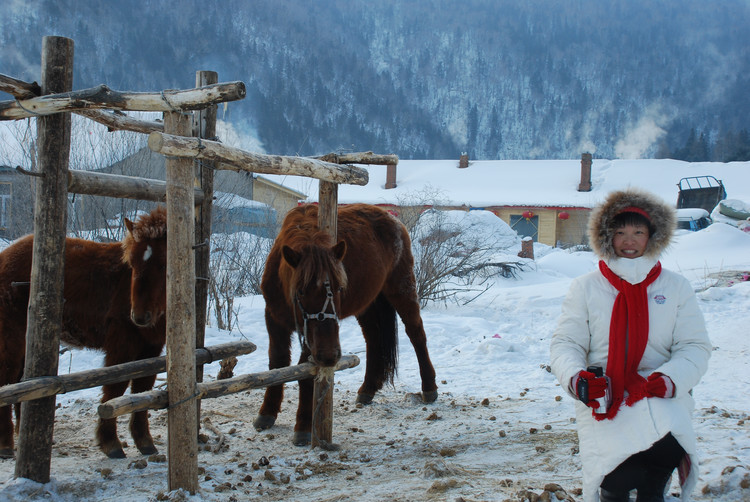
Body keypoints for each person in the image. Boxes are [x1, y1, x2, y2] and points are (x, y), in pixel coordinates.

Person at [550, 188, 712, 502]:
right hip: (606, 397)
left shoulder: (676, 288)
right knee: (617, 477)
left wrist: (670, 380)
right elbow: (566, 343)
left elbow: (694, 346)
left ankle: (654, 491)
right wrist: (577, 379)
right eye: (620, 232)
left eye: (638, 232)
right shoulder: (585, 288)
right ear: (606, 237)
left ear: (653, 236)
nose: (629, 240)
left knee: (660, 458)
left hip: (660, 393)